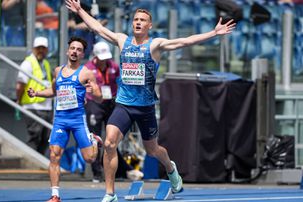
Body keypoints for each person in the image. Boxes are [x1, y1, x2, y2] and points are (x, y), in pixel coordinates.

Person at [65, 1, 236, 201]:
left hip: (145, 108)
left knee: (153, 150)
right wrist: (79, 11)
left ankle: (171, 168)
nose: (138, 23)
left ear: (149, 26)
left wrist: (213, 33)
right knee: (110, 143)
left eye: (143, 20)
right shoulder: (122, 40)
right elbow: (98, 27)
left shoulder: (155, 45)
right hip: (124, 105)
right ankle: (110, 193)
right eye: (136, 19)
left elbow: (185, 41)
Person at [27, 36, 103, 202]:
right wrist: (37, 93)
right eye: (73, 48)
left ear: (83, 54)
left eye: (79, 50)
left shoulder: (86, 73)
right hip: (60, 119)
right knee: (54, 155)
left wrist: (92, 91)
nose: (75, 52)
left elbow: (99, 97)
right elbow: (53, 90)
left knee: (90, 158)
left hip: (77, 120)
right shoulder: (58, 71)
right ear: (68, 51)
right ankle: (55, 195)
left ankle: (94, 141)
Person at [84, 41, 119, 182]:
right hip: (94, 103)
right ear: (95, 56)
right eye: (102, 57)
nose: (104, 60)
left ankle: (112, 170)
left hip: (110, 102)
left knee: (112, 138)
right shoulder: (87, 68)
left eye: (106, 57)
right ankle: (96, 172)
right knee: (95, 137)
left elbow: (118, 82)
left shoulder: (114, 67)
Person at [16, 36, 53, 155]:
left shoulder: (46, 63)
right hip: (33, 106)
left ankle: (39, 162)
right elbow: (20, 85)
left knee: (46, 137)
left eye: (43, 48)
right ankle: (32, 163)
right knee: (35, 136)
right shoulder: (27, 63)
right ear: (33, 48)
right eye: (38, 48)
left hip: (46, 106)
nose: (41, 51)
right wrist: (19, 100)